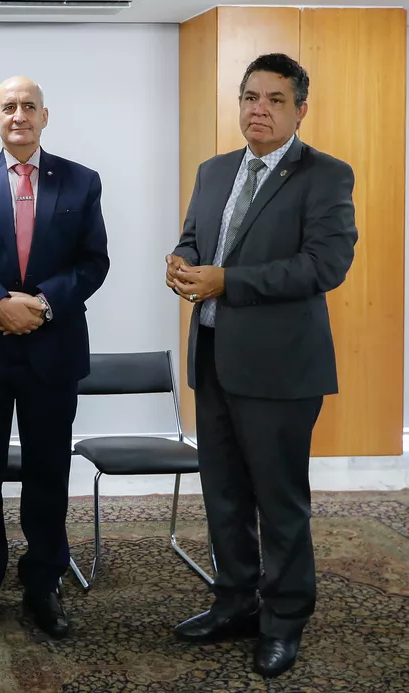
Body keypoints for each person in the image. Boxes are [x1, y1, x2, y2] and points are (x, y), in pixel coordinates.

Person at [166, 53, 357, 677]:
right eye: (251, 97)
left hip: (280, 370)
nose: (259, 109)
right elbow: (196, 238)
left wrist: (228, 281)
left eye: (275, 99)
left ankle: (284, 619)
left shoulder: (325, 176)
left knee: (279, 502)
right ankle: (234, 603)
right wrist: (182, 262)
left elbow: (323, 266)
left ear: (301, 108)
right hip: (215, 359)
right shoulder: (214, 169)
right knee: (223, 496)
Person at [0, 76, 110, 639]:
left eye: (28, 106)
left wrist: (40, 303)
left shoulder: (81, 182)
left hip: (52, 350)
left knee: (48, 472)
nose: (19, 115)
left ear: (44, 115)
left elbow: (93, 262)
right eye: (8, 107)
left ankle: (43, 584)